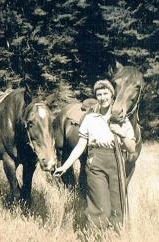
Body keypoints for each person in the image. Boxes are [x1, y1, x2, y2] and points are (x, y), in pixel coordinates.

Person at [53, 79, 136, 230]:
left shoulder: (122, 120)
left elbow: (131, 148)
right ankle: (94, 237)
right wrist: (65, 166)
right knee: (100, 208)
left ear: (112, 95)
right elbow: (80, 146)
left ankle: (114, 237)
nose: (103, 97)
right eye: (99, 94)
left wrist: (121, 133)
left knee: (118, 208)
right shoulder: (90, 119)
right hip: (95, 162)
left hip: (117, 162)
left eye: (106, 93)